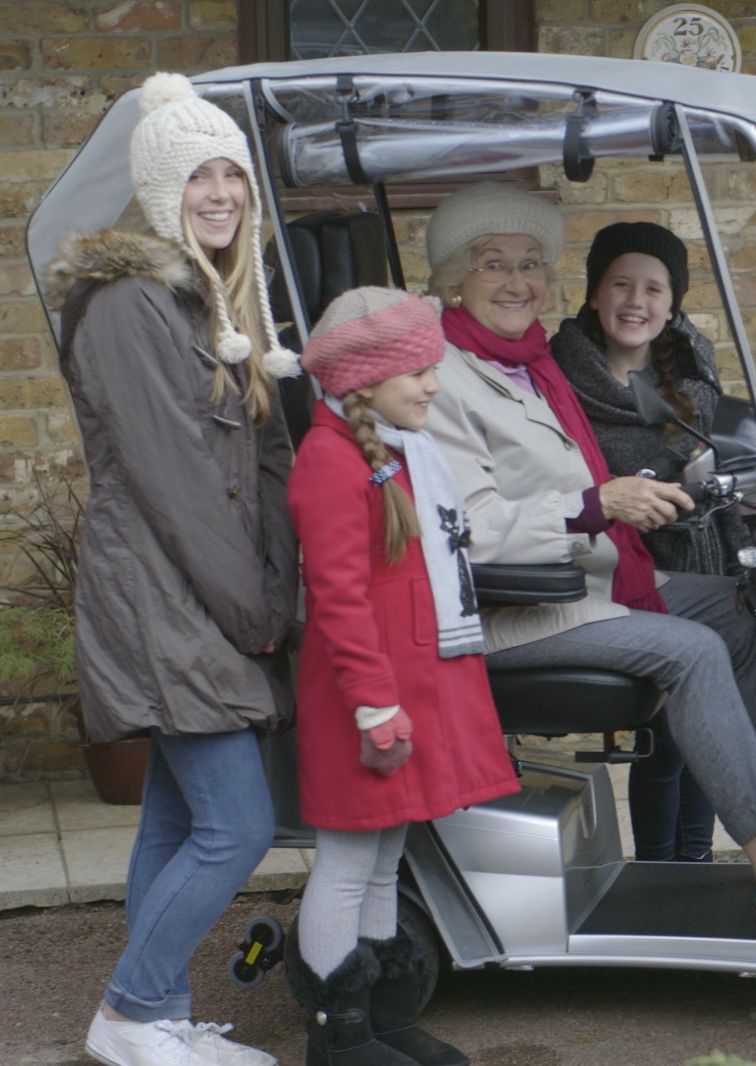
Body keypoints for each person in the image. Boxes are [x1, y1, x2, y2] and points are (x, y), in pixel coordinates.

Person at [416, 182, 756, 924]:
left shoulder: (525, 362)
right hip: (516, 609)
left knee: (744, 613)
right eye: (493, 265)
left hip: (580, 579)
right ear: (453, 279)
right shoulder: (446, 376)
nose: (517, 282)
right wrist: (599, 503)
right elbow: (466, 526)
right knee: (693, 648)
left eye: (529, 264)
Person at [47, 72, 301, 1066]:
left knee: (178, 819)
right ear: (161, 192)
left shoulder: (205, 303)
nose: (223, 192)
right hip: (165, 596)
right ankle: (130, 1009)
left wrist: (268, 585)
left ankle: (154, 1020)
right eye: (201, 175)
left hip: (197, 595)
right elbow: (177, 481)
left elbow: (255, 458)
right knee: (237, 824)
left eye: (234, 173)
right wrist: (255, 610)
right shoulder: (125, 307)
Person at [283, 287, 519, 1066]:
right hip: (364, 701)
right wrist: (374, 706)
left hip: (403, 696)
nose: (432, 384)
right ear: (364, 381)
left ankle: (382, 1017)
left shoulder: (391, 449)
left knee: (386, 856)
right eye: (417, 370)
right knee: (349, 860)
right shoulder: (329, 460)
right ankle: (336, 1035)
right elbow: (340, 601)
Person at [552, 221, 752, 863]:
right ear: (593, 294)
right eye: (621, 284)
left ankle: (695, 862)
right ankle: (659, 869)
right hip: (609, 576)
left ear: (672, 304)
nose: (636, 301)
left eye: (654, 288)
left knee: (707, 738)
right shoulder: (557, 380)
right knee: (665, 741)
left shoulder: (693, 382)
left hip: (699, 565)